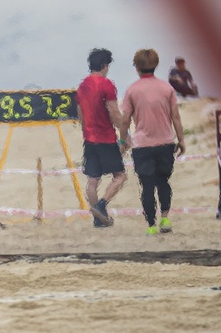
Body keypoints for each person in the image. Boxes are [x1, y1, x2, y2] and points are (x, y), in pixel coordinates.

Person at [119, 48, 186, 235]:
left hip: (142, 145)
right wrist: (181, 140)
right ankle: (165, 218)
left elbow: (125, 119)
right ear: (155, 65)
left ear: (137, 67)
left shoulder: (132, 89)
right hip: (165, 142)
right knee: (163, 182)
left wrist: (122, 140)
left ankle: (151, 225)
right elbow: (176, 117)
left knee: (147, 186)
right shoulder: (167, 88)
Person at [76, 48, 127, 228]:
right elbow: (114, 113)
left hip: (89, 139)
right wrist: (125, 135)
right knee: (120, 176)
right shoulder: (106, 85)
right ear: (105, 65)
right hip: (105, 137)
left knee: (92, 180)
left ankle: (98, 219)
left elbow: (80, 114)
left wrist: (86, 131)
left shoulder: (82, 86)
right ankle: (101, 205)